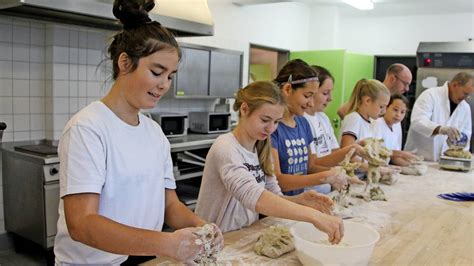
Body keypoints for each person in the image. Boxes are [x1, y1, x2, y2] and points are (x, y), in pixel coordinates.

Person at [53, 1, 223, 264]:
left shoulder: (155, 134)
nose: (164, 85)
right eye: (157, 72)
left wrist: (204, 228)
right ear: (124, 63)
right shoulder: (87, 129)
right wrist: (168, 243)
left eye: (170, 76)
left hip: (143, 257)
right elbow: (82, 224)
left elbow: (170, 206)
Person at [195, 81, 344, 244]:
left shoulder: (262, 146)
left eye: (276, 121)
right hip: (212, 241)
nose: (271, 129)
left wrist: (299, 200)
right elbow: (252, 196)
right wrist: (314, 217)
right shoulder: (225, 147)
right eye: (265, 120)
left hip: (239, 237)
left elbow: (273, 197)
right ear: (244, 109)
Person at [270, 59, 349, 196]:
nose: (311, 103)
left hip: (300, 202)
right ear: (288, 89)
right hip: (279, 206)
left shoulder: (303, 123)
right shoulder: (272, 128)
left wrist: (338, 173)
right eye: (307, 96)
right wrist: (325, 177)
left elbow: (309, 166)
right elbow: (277, 180)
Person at [304, 65, 367, 172]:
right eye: (325, 93)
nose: (330, 98)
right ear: (311, 91)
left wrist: (353, 151)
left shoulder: (323, 118)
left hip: (328, 184)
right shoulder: (303, 120)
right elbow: (312, 165)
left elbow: (336, 154)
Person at [404, 72, 473, 162]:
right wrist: (440, 129)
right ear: (455, 85)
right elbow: (417, 121)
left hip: (446, 162)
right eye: (465, 93)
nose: (465, 98)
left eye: (468, 95)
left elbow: (466, 135)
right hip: (418, 160)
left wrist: (461, 156)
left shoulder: (465, 108)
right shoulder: (430, 95)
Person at [337, 63, 412, 119]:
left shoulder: (396, 100)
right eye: (405, 83)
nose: (407, 89)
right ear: (392, 78)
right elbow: (342, 111)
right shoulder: (372, 92)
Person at [376, 94, 419, 166]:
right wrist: (402, 154)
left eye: (402, 112)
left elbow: (394, 157)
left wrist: (409, 165)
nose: (398, 115)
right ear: (386, 107)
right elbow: (378, 152)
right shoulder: (377, 123)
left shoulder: (397, 125)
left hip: (389, 165)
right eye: (395, 110)